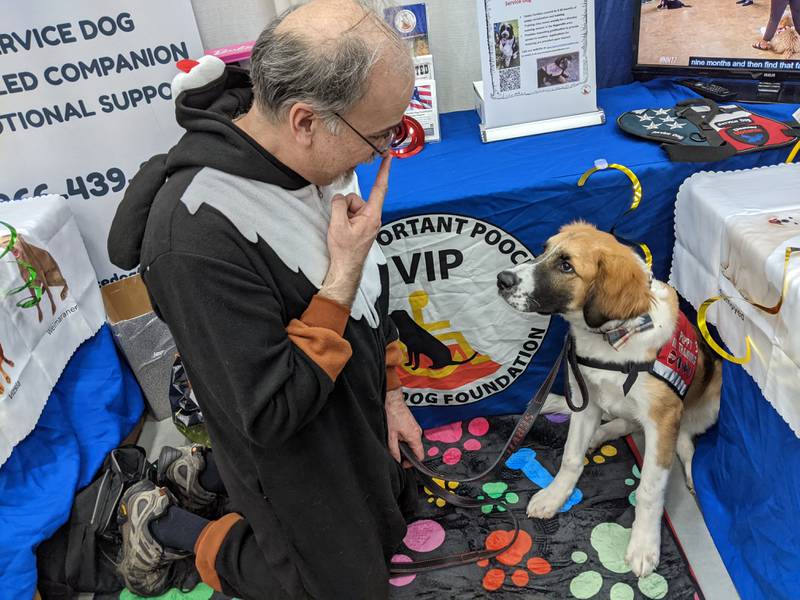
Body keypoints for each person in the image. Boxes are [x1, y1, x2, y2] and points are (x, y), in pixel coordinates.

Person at [106, 1, 425, 598]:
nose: (384, 151)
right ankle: (170, 528)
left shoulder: (311, 152)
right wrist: (341, 276)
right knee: (339, 587)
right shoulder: (195, 237)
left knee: (396, 517)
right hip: (288, 451)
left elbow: (372, 307)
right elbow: (271, 412)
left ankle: (198, 481)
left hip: (345, 417)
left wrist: (391, 392)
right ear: (305, 120)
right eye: (380, 135)